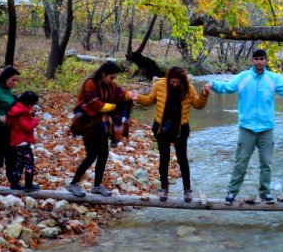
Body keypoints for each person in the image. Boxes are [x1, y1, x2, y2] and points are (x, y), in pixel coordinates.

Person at [204, 49, 283, 205]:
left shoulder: (273, 79)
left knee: (266, 163)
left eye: (261, 59)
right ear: (252, 61)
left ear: (266, 61)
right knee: (241, 162)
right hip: (247, 128)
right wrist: (212, 84)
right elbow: (227, 87)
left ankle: (265, 192)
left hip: (267, 128)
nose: (259, 62)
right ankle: (232, 192)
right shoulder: (243, 77)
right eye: (256, 59)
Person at [135, 67, 209, 202]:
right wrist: (137, 97)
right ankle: (164, 189)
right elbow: (149, 100)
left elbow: (198, 105)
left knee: (182, 160)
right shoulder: (159, 85)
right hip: (162, 129)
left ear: (182, 81)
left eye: (178, 82)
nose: (175, 84)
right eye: (172, 82)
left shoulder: (189, 88)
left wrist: (204, 94)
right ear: (169, 79)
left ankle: (187, 190)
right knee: (164, 159)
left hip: (180, 129)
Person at [67, 61, 137, 197]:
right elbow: (93, 103)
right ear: (103, 74)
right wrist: (111, 107)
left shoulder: (110, 85)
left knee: (103, 155)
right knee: (91, 156)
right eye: (111, 77)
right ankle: (73, 183)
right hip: (88, 125)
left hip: (103, 126)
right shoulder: (90, 83)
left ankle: (97, 185)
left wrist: (131, 95)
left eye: (114, 78)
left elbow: (120, 93)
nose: (112, 81)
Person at [5, 91, 40, 192]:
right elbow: (26, 127)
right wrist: (34, 120)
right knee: (30, 163)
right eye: (32, 104)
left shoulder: (16, 109)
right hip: (22, 142)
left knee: (20, 163)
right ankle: (28, 184)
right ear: (28, 102)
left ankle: (14, 183)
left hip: (17, 141)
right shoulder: (22, 112)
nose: (32, 106)